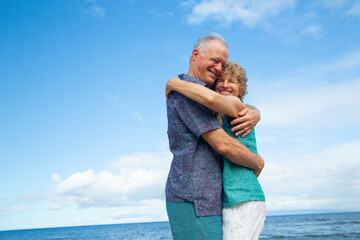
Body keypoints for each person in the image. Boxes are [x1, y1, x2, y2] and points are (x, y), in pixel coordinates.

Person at [165, 33, 264, 240]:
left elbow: (234, 103)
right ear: (195, 55)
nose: (219, 68)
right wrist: (257, 162)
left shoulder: (205, 94)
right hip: (193, 199)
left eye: (223, 63)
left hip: (210, 200)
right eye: (215, 60)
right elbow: (223, 145)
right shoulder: (190, 93)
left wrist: (255, 113)